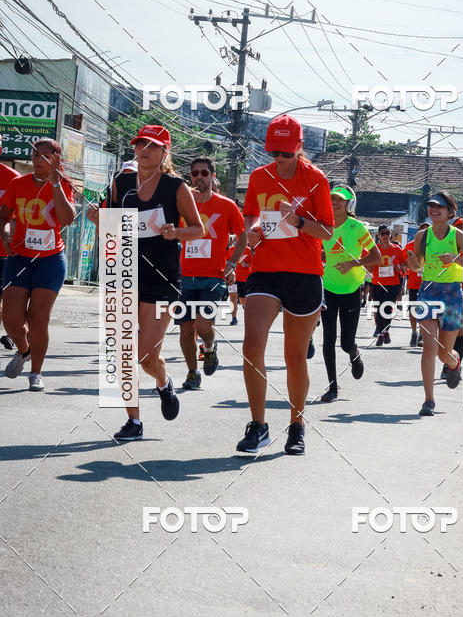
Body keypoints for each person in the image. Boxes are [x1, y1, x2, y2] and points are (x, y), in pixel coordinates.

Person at [87, 125, 204, 439]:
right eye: (140, 144)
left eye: (152, 146)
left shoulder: (176, 187)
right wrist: (98, 219)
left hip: (162, 279)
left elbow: (198, 229)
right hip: (123, 272)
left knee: (145, 356)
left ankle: (163, 382)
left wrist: (175, 232)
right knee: (122, 351)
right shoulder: (121, 183)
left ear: (164, 152)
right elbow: (107, 226)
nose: (144, 150)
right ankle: (134, 421)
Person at [237, 114, 334, 455]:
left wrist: (300, 221)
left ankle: (296, 425)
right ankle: (258, 425)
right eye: (274, 152)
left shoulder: (316, 180)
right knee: (251, 347)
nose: (278, 159)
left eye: (285, 153)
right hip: (265, 269)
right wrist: (249, 233)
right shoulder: (258, 177)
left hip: (304, 274)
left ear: (299, 148)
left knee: (294, 357)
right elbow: (251, 216)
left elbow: (327, 231)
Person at [0, 137, 75, 391]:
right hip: (20, 257)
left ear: (56, 159)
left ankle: (36, 373)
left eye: (45, 155)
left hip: (50, 260)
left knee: (38, 318)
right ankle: (24, 350)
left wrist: (55, 184)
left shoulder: (63, 185)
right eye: (35, 155)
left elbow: (67, 219)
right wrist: (6, 233)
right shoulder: (17, 184)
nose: (38, 160)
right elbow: (4, 216)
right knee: (10, 319)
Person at [176, 155, 247, 390]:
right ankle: (192, 373)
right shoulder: (183, 204)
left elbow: (242, 236)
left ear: (212, 176)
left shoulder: (226, 205)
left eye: (204, 173)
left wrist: (233, 263)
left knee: (203, 325)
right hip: (185, 275)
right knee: (186, 329)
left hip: (213, 276)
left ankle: (209, 347)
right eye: (194, 173)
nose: (199, 177)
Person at [320, 185, 380, 403]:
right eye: (333, 198)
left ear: (349, 204)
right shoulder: (323, 226)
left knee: (345, 342)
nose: (336, 202)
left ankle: (354, 353)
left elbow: (377, 257)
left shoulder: (356, 227)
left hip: (352, 290)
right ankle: (332, 387)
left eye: (341, 200)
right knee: (328, 340)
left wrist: (354, 263)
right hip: (327, 289)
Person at [405, 192, 463, 417]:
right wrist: (412, 264)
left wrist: (455, 259)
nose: (434, 209)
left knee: (442, 354)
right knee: (428, 347)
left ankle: (454, 362)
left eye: (439, 206)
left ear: (450, 212)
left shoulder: (458, 236)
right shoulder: (422, 236)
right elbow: (417, 265)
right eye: (431, 206)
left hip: (452, 295)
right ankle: (428, 399)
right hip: (428, 293)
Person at [0, 137, 20, 351]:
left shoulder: (13, 180)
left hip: (5, 252)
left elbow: (18, 217)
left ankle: (15, 334)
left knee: (9, 301)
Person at [371, 225, 406, 346]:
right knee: (379, 308)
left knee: (387, 307)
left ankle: (385, 331)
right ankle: (381, 333)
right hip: (377, 282)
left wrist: (399, 267)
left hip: (392, 283)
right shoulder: (375, 249)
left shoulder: (396, 249)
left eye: (387, 233)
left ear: (390, 235)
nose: (385, 236)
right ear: (379, 236)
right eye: (383, 234)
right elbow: (368, 264)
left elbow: (404, 262)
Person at [405, 223, 429, 347]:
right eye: (422, 230)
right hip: (414, 283)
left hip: (428, 283)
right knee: (413, 309)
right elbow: (404, 262)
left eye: (427, 230)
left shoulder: (432, 245)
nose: (424, 233)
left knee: (425, 310)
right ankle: (414, 332)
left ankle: (421, 334)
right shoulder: (410, 246)